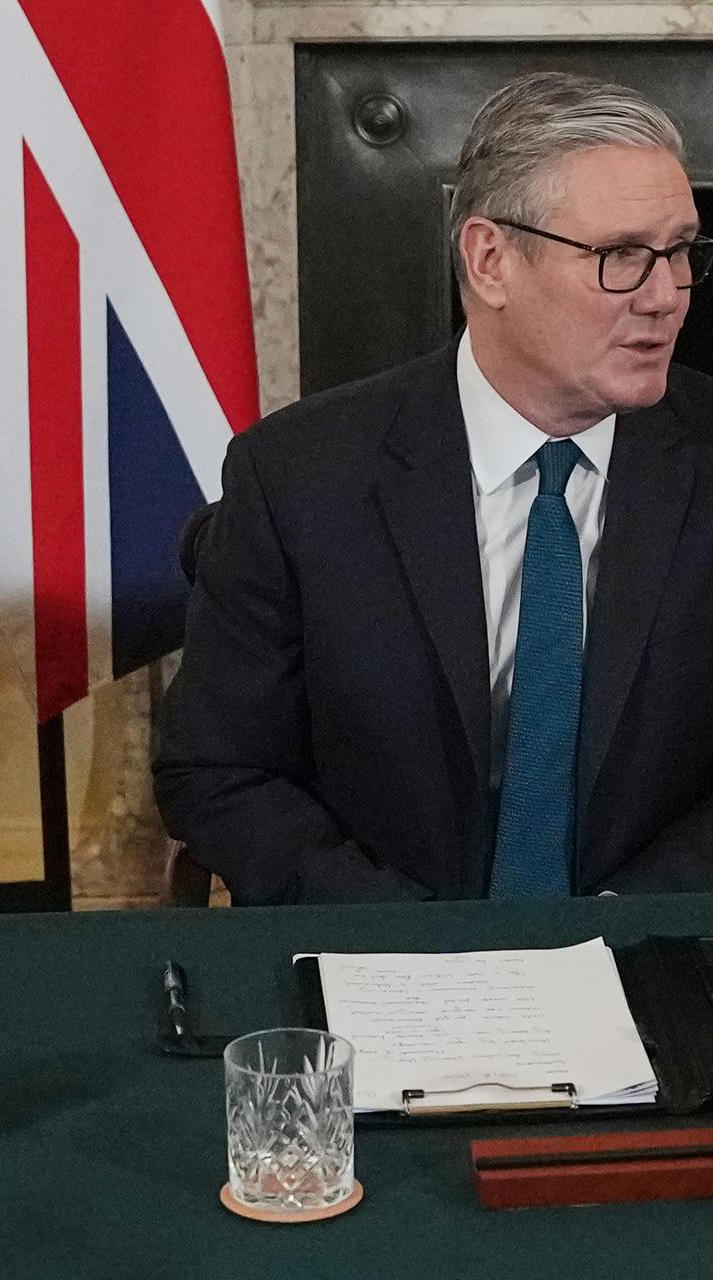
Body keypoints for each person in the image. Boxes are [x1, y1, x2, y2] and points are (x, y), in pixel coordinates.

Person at [155, 72, 713, 905]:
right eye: (622, 257)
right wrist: (415, 938)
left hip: (654, 946)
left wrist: (629, 923)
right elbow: (219, 769)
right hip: (384, 952)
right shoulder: (300, 476)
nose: (667, 297)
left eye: (681, 252)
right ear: (490, 261)